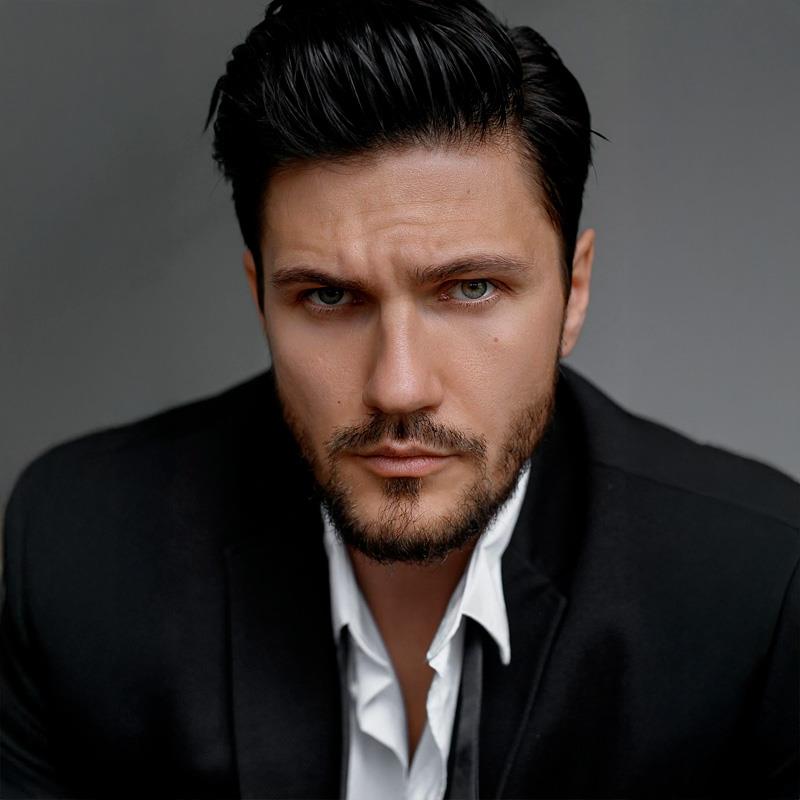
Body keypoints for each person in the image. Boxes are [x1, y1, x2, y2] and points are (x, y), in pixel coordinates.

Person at [1, 0, 797, 797]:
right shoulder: (82, 554)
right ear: (259, 298)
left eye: (471, 288)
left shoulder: (756, 591)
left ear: (574, 292)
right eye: (327, 297)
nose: (398, 387)